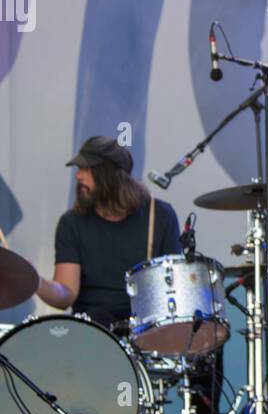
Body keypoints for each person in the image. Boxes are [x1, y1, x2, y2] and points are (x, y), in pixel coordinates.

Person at [37, 135, 181, 330]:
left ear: (108, 175)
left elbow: (173, 289)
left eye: (86, 169)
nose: (78, 176)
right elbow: (65, 294)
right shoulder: (71, 223)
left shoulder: (160, 216)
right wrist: (35, 281)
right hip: (91, 333)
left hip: (145, 331)